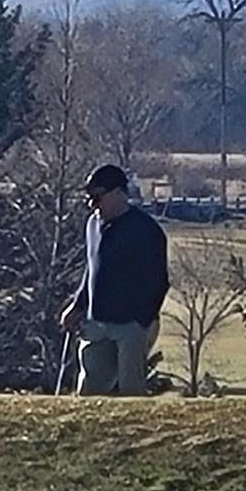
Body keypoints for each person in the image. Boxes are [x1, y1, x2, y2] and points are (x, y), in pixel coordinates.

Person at [60, 164, 169, 396]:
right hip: (97, 324)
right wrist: (78, 306)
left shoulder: (146, 230)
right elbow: (92, 270)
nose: (93, 205)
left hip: (132, 325)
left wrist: (142, 320)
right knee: (88, 392)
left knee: (131, 391)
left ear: (119, 193)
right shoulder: (93, 225)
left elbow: (159, 281)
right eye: (89, 198)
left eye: (98, 197)